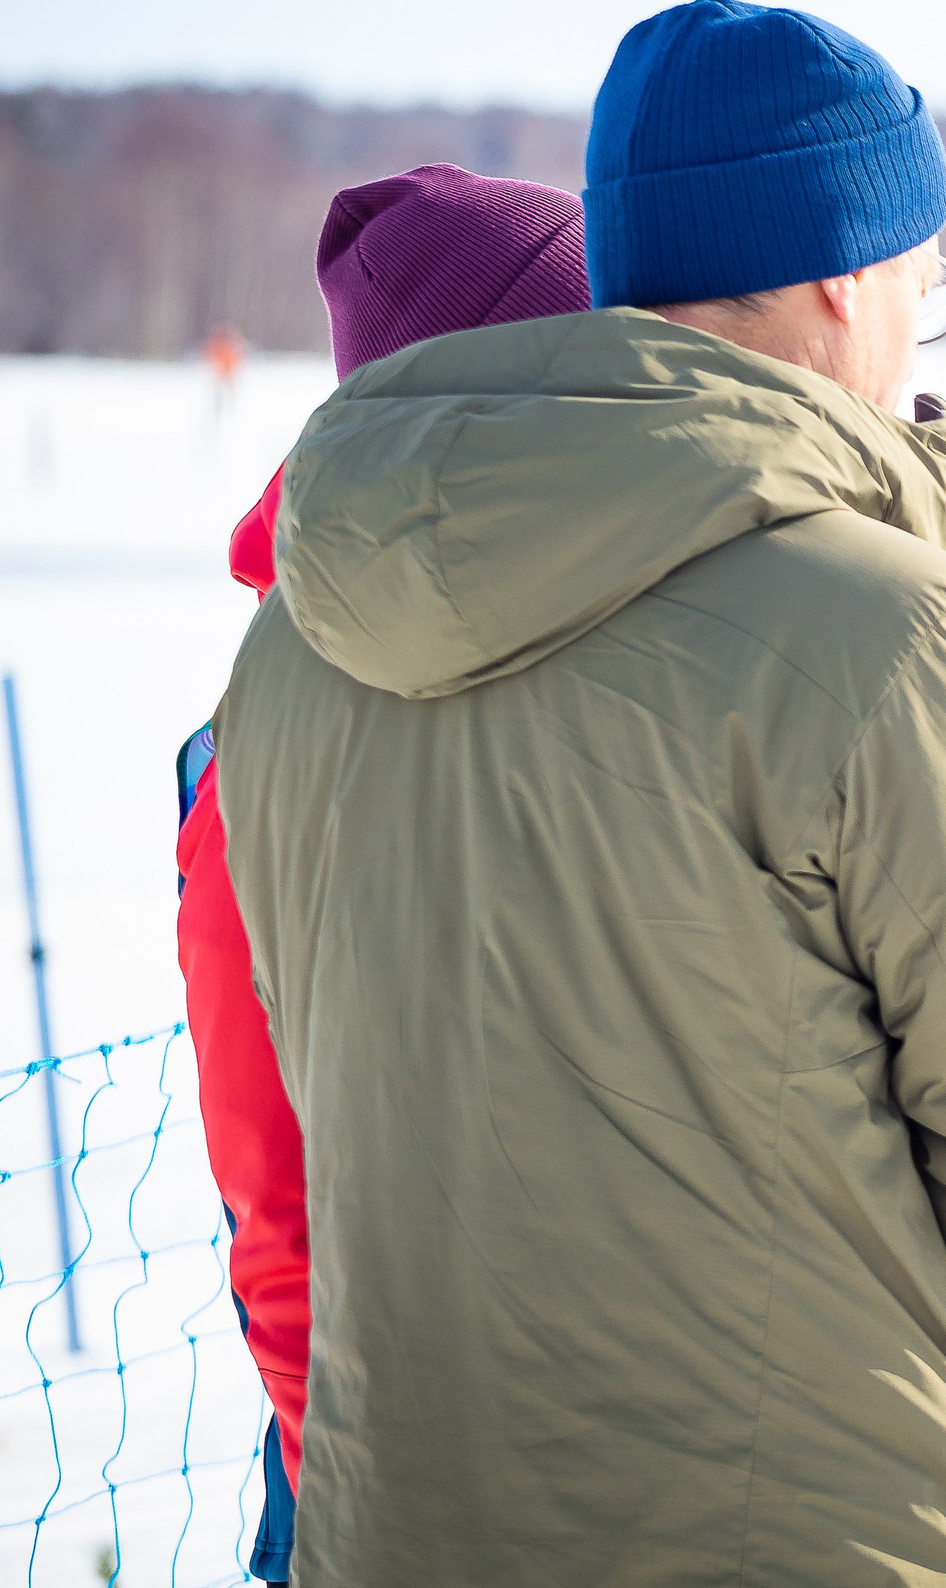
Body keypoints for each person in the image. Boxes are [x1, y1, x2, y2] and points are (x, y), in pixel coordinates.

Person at [212, 0, 946, 1587]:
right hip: (822, 1529)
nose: (917, 337)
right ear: (842, 276)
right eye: (930, 293)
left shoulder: (298, 646)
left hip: (405, 1524)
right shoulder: (894, 635)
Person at [175, 163, 597, 1582]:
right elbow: (272, 1197)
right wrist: (356, 1478)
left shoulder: (603, 658)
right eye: (587, 339)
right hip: (385, 1488)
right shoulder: (266, 739)